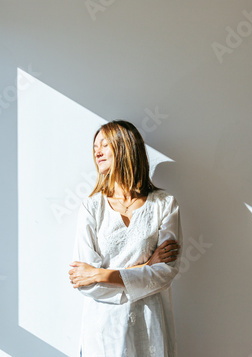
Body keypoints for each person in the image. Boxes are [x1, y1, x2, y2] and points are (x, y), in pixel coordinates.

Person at [68, 120, 183, 357]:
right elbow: (85, 283)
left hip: (148, 325)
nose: (96, 151)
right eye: (94, 146)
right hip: (103, 328)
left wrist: (101, 273)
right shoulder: (92, 207)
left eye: (104, 144)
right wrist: (146, 267)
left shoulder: (164, 204)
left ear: (125, 148)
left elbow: (166, 273)